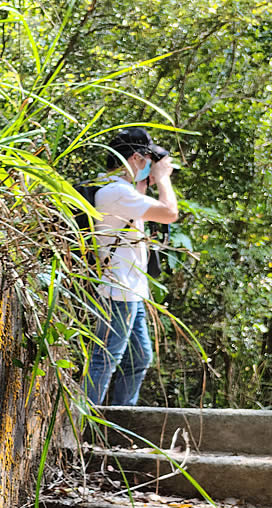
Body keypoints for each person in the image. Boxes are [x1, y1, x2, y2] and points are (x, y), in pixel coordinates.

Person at [82, 127, 179, 406]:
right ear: (136, 158)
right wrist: (162, 179)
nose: (151, 166)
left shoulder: (120, 190)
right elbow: (169, 213)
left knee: (139, 357)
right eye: (148, 159)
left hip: (130, 290)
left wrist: (145, 180)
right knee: (105, 358)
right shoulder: (115, 192)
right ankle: (78, 427)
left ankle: (122, 418)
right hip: (117, 289)